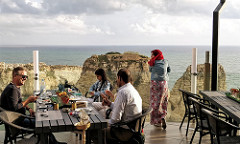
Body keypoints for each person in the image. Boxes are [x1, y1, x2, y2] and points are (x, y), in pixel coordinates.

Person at [0, 67, 66, 144]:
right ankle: (51, 142)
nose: (25, 78)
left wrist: (29, 109)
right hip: (17, 122)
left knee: (42, 119)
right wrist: (28, 100)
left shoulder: (14, 87)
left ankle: (52, 142)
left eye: (26, 77)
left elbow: (19, 102)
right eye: (23, 76)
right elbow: (15, 107)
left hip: (17, 118)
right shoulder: (13, 89)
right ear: (15, 76)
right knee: (44, 123)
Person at [100, 69, 142, 142]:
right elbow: (123, 108)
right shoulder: (132, 89)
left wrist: (103, 123)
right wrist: (110, 104)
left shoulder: (123, 92)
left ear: (120, 78)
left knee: (95, 130)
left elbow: (115, 119)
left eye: (117, 78)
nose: (116, 80)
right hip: (133, 129)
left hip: (124, 132)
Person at [148, 49, 171, 129]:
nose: (151, 56)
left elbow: (150, 70)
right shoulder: (165, 61)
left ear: (156, 55)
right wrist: (165, 76)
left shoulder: (152, 62)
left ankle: (157, 122)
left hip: (155, 83)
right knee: (164, 101)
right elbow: (169, 70)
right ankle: (163, 117)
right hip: (164, 84)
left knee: (155, 102)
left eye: (152, 55)